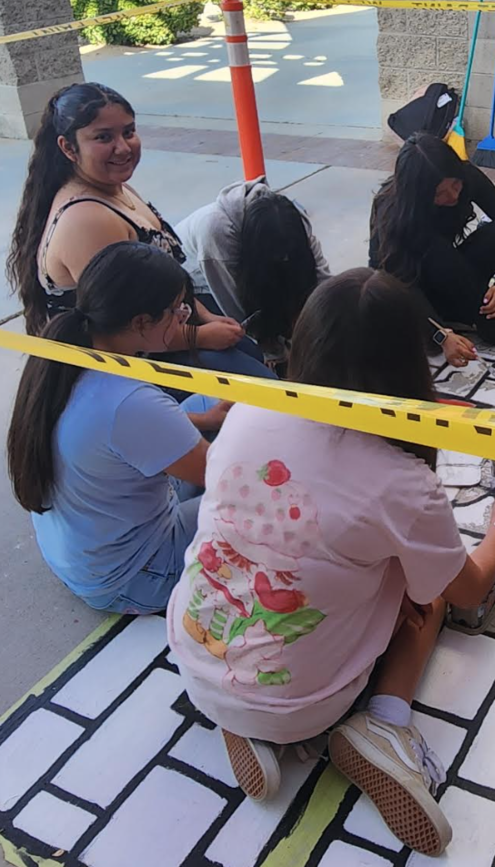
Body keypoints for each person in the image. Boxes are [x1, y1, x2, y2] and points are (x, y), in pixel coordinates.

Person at [167, 268, 495, 856]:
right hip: (305, 700)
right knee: (427, 588)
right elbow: (470, 589)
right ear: (407, 364)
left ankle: (243, 721)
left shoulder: (249, 411)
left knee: (314, 562)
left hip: (193, 650)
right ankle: (384, 723)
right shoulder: (400, 478)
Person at [7, 242, 230, 615]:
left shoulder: (64, 359)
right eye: (178, 311)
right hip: (135, 573)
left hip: (84, 547)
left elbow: (120, 433)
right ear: (141, 322)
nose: (184, 319)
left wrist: (206, 423)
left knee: (205, 406)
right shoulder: (130, 402)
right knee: (265, 510)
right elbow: (227, 479)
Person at [7, 82, 274, 379]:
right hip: (121, 366)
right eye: (103, 137)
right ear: (68, 147)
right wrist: (201, 336)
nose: (123, 147)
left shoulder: (115, 188)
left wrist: (208, 318)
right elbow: (125, 330)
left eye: (128, 132)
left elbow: (170, 281)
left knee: (252, 352)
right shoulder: (87, 220)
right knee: (257, 382)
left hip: (162, 326)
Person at [369, 133, 495, 358]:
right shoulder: (392, 210)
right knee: (436, 251)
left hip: (449, 276)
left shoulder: (466, 176)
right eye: (440, 194)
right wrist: (439, 334)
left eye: (455, 185)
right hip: (410, 289)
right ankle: (493, 321)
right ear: (419, 195)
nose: (453, 196)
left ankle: (474, 311)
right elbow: (393, 281)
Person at [176, 178, 330, 365]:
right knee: (246, 348)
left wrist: (330, 320)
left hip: (248, 263)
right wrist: (276, 355)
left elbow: (321, 279)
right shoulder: (216, 233)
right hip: (200, 285)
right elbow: (236, 309)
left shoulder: (291, 217)